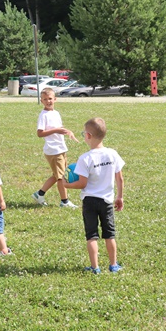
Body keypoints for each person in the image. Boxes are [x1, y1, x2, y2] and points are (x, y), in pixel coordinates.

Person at [65, 117, 125, 274]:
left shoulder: (85, 158)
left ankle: (95, 267)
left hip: (90, 201)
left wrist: (66, 185)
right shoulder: (112, 154)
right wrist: (120, 196)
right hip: (107, 201)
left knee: (91, 235)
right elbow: (120, 178)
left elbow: (82, 183)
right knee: (110, 235)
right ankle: (113, 265)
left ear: (88, 136)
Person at [32, 87, 79, 208]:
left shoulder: (56, 113)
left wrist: (68, 132)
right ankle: (64, 201)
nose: (48, 101)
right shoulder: (43, 115)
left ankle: (39, 194)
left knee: (57, 175)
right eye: (45, 99)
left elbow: (60, 128)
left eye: (50, 98)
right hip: (53, 150)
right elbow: (40, 133)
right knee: (61, 177)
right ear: (41, 101)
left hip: (61, 148)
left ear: (55, 99)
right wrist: (56, 130)